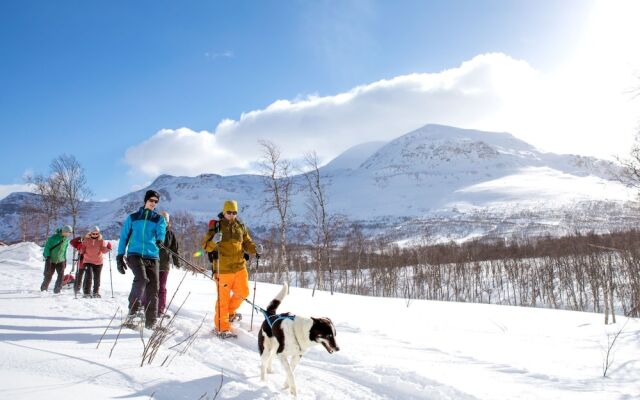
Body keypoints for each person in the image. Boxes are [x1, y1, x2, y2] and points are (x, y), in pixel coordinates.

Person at [202, 200, 262, 337]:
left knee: (243, 292)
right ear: (224, 212)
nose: (232, 215)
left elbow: (247, 243)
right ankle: (222, 328)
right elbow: (205, 246)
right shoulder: (216, 227)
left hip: (240, 267)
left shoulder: (240, 226)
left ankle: (229, 313)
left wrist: (255, 249)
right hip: (223, 269)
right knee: (223, 299)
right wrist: (213, 241)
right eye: (229, 212)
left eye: (234, 212)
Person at [116, 190, 167, 329]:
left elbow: (161, 232)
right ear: (145, 201)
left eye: (156, 202)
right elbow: (124, 237)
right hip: (135, 253)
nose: (153, 203)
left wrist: (160, 240)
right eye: (151, 200)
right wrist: (120, 256)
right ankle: (133, 311)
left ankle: (151, 322)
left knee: (153, 288)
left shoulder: (158, 219)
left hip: (152, 255)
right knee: (142, 279)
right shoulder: (133, 218)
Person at [73, 227, 110, 298]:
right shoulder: (86, 240)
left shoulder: (101, 241)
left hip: (98, 262)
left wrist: (108, 248)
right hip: (88, 261)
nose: (95, 235)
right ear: (90, 233)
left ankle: (96, 292)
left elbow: (103, 250)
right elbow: (82, 251)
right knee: (88, 276)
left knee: (97, 278)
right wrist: (80, 248)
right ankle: (86, 293)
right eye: (93, 233)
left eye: (97, 233)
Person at [157, 211, 180, 318]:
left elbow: (174, 249)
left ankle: (160, 310)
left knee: (162, 287)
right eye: (162, 220)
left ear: (168, 222)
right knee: (150, 286)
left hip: (164, 264)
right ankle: (145, 307)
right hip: (151, 263)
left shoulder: (170, 234)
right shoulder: (153, 231)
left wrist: (176, 261)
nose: (164, 222)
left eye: (165, 220)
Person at [40, 225, 73, 294]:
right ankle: (43, 289)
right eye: (69, 232)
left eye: (70, 233)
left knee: (61, 276)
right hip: (51, 260)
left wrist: (65, 259)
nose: (69, 234)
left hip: (61, 260)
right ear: (64, 231)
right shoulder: (53, 238)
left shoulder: (66, 240)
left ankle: (57, 290)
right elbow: (47, 248)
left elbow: (64, 251)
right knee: (48, 275)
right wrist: (48, 257)